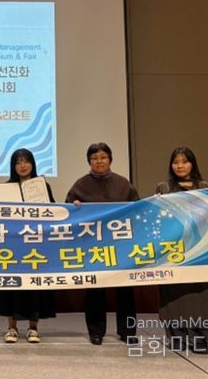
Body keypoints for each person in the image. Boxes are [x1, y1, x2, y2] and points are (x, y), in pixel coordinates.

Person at [65, 142, 139, 346]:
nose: (99, 161)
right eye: (94, 158)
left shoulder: (123, 184)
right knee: (95, 289)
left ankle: (128, 331)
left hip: (121, 245)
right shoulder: (80, 185)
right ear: (89, 161)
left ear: (110, 160)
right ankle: (96, 331)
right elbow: (67, 211)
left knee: (125, 289)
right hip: (93, 246)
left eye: (103, 157)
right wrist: (74, 207)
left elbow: (137, 209)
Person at [155, 146, 208, 353]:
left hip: (199, 250)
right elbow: (155, 217)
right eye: (176, 162)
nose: (180, 166)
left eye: (184, 161)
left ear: (193, 164)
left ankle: (200, 337)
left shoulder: (205, 188)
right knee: (172, 295)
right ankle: (177, 336)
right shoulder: (164, 188)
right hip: (172, 250)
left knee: (199, 295)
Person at [0, 148, 56, 344]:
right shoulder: (6, 189)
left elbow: (54, 212)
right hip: (13, 245)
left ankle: (33, 328)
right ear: (13, 166)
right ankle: (11, 328)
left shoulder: (42, 186)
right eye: (18, 162)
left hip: (36, 244)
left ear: (32, 164)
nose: (23, 165)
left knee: (35, 286)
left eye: (26, 161)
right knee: (11, 286)